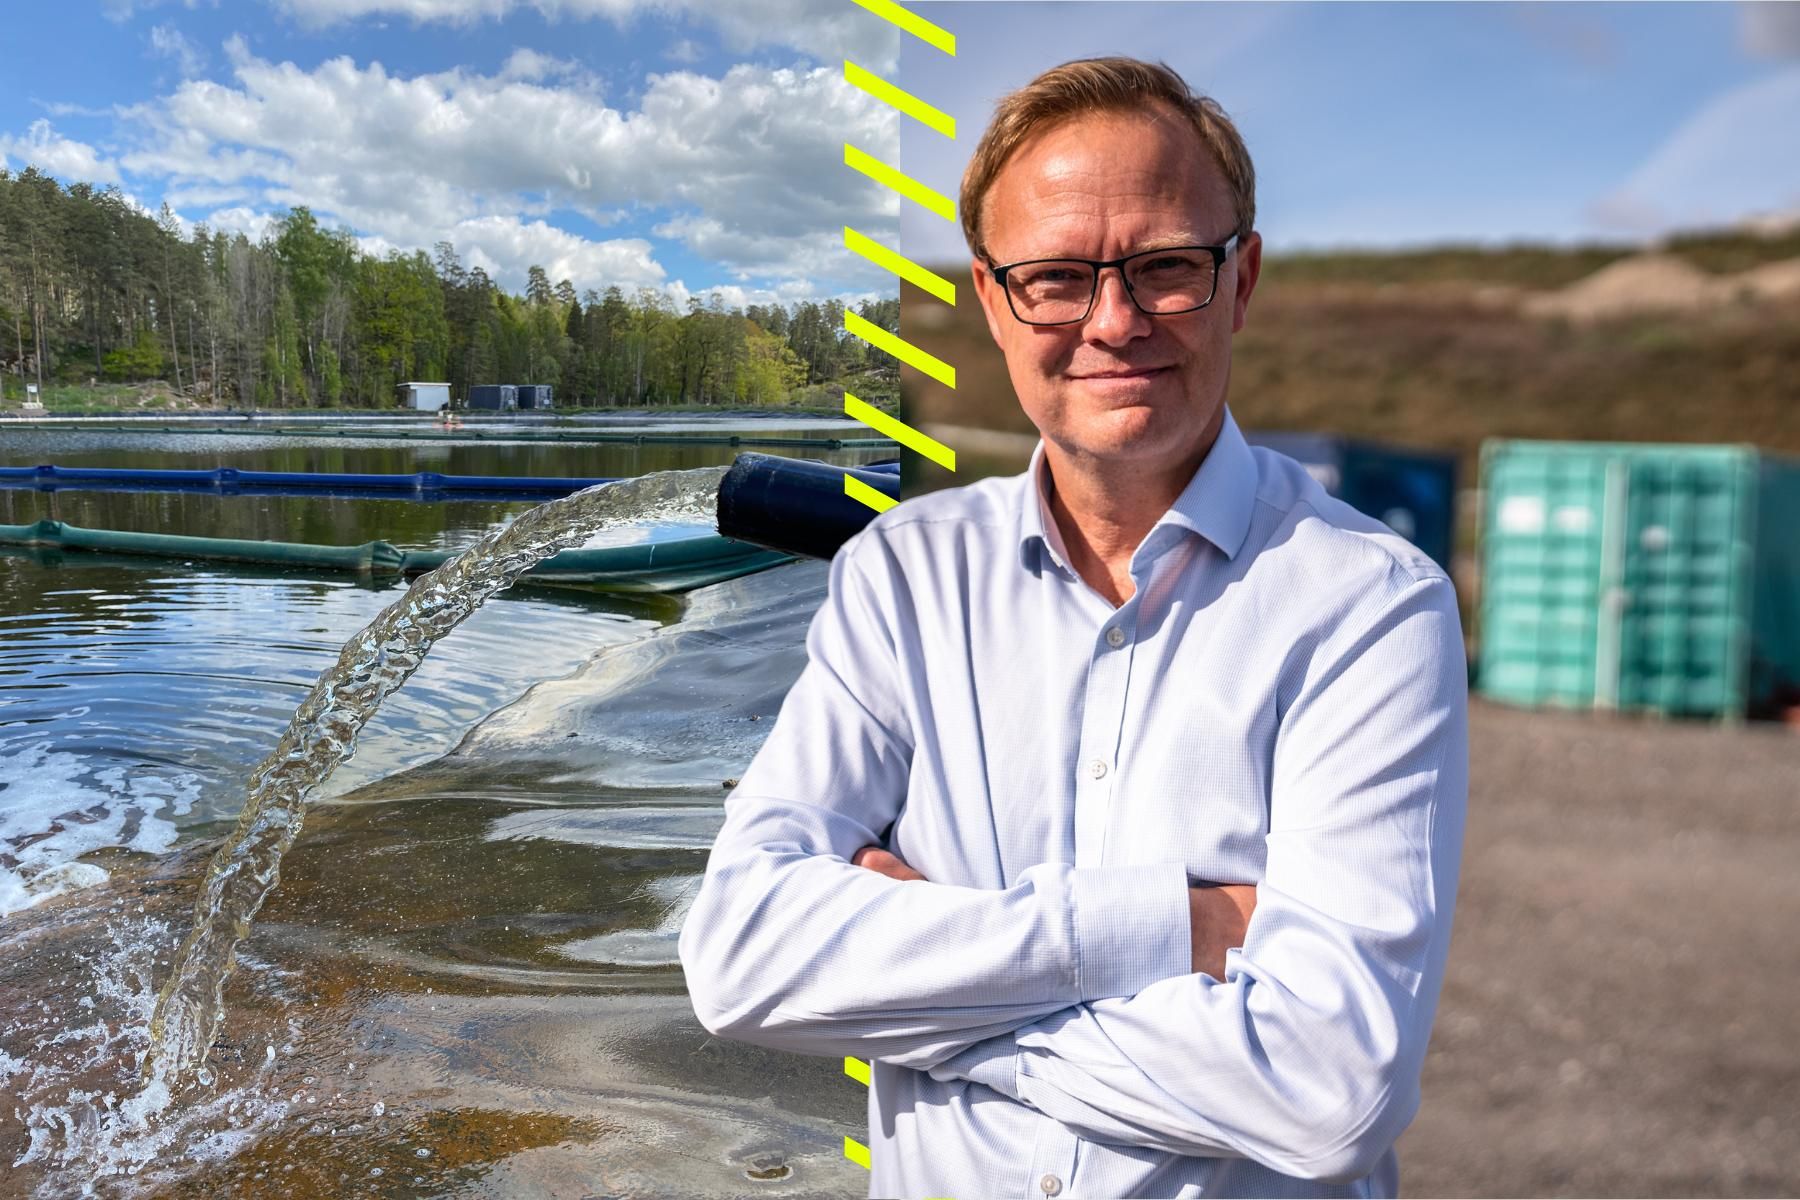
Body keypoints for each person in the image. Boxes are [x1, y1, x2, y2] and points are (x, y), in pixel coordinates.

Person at [678, 56, 1467, 1200]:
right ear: (996, 304)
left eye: (1164, 269)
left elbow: (1329, 1090)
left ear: (1240, 280)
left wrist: (924, 998)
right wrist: (1161, 928)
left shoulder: (1369, 603)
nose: (1112, 320)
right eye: (1055, 276)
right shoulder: (906, 576)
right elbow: (741, 958)